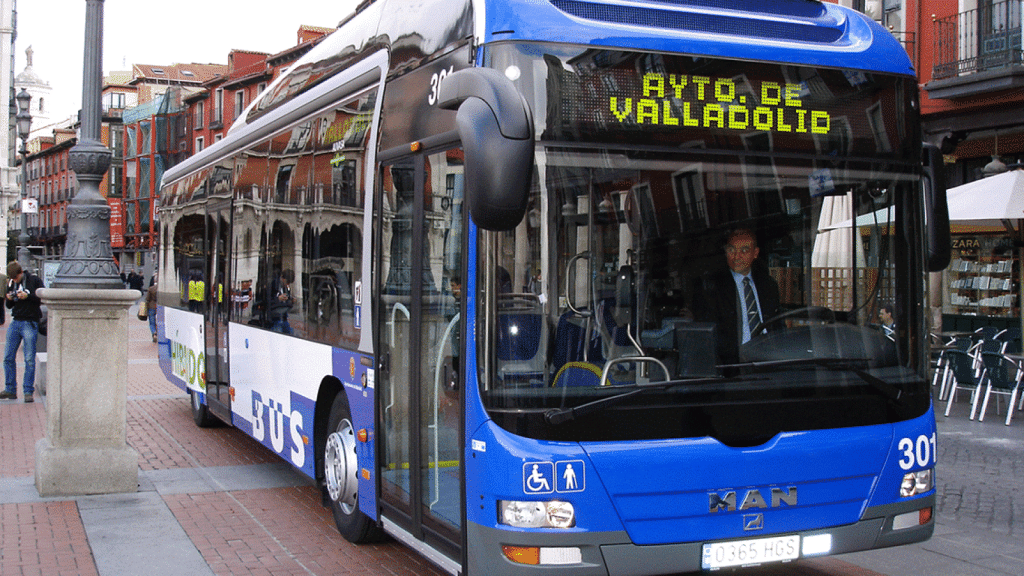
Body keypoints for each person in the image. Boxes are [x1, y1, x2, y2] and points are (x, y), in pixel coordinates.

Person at [697, 228, 780, 366]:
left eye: (744, 250)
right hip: (734, 363)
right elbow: (710, 337)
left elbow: (776, 325)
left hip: (769, 359)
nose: (736, 257)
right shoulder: (712, 287)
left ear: (755, 253)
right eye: (731, 250)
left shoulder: (768, 285)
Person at [1, 262, 44, 403]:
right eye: (12, 278)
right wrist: (10, 298)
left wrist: (28, 296)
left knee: (29, 359)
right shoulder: (12, 283)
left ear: (20, 273)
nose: (14, 280)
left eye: (15, 278)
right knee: (8, 357)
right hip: (16, 321)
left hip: (30, 321)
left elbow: (42, 297)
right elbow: (9, 305)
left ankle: (27, 391)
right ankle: (10, 389)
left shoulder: (34, 280)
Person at [269, 269, 295, 335]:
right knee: (278, 331)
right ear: (283, 278)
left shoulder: (285, 287)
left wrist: (290, 300)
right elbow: (268, 300)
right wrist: (278, 299)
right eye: (287, 282)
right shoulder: (273, 284)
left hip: (283, 316)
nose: (287, 284)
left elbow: (287, 298)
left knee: (291, 332)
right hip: (274, 317)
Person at [146, 277, 159, 342]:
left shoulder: (151, 289)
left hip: (152, 306)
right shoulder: (161, 288)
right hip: (159, 306)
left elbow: (147, 299)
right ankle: (159, 333)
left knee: (152, 322)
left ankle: (154, 333)